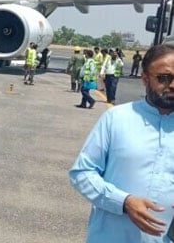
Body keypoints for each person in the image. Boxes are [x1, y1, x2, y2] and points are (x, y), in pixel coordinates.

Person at [69, 44, 174, 242]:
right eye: (164, 78)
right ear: (145, 79)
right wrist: (123, 202)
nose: (173, 85)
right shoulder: (116, 119)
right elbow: (82, 173)